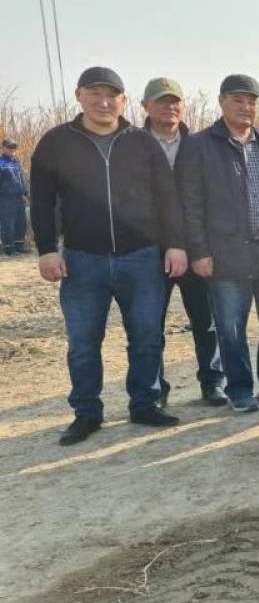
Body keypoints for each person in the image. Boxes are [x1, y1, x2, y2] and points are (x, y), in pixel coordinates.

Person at [29, 67, 187, 446]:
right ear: (79, 96)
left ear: (124, 101)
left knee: (147, 337)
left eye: (111, 95)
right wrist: (47, 249)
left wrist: (176, 244)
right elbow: (42, 200)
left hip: (142, 258)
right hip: (83, 260)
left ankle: (145, 404)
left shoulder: (142, 143)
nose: (103, 102)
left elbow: (167, 198)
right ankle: (86, 412)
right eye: (94, 94)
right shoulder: (56, 142)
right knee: (83, 342)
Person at [177, 74, 259, 414]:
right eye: (237, 100)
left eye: (251, 101)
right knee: (231, 327)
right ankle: (240, 389)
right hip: (225, 253)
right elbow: (191, 204)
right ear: (221, 102)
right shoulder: (200, 146)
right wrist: (199, 251)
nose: (245, 107)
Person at [141, 77, 226, 407]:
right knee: (150, 326)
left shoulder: (199, 145)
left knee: (206, 321)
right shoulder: (133, 145)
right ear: (145, 106)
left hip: (196, 248)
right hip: (150, 251)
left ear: (183, 106)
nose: (169, 107)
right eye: (161, 101)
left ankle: (213, 382)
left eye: (175, 101)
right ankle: (155, 391)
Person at [0, 138, 28, 256]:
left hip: (19, 197)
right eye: (9, 147)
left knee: (21, 222)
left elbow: (21, 178)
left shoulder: (16, 162)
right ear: (3, 147)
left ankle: (19, 246)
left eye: (14, 147)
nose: (12, 150)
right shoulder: (1, 162)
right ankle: (9, 248)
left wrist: (24, 193)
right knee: (8, 223)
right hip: (6, 198)